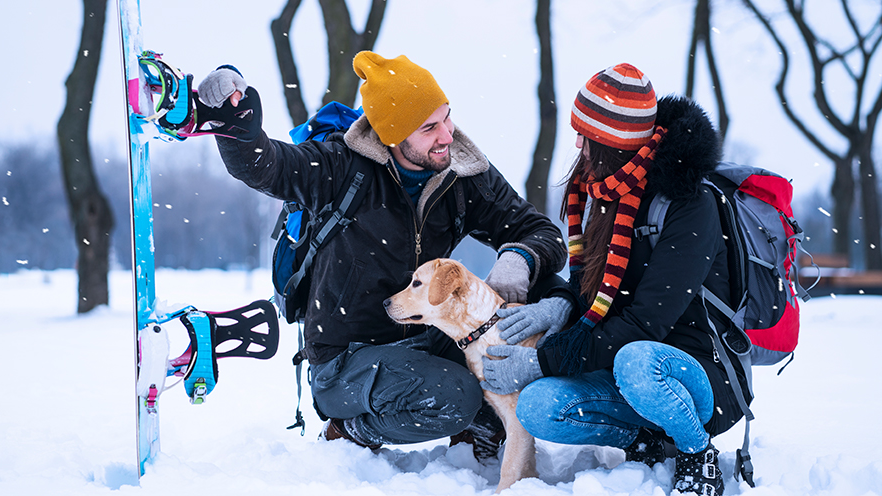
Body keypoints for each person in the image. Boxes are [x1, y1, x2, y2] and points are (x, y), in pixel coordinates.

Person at [197, 52, 568, 457]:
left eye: (447, 117)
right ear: (393, 136)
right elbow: (269, 167)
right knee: (455, 397)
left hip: (428, 336)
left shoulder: (460, 173)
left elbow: (541, 232)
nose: (447, 135)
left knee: (541, 289)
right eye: (429, 128)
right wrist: (237, 131)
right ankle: (351, 429)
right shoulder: (341, 167)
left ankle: (481, 425)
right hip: (347, 359)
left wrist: (519, 259)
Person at [479, 63, 747, 495]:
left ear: (613, 146)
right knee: (538, 406)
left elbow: (646, 323)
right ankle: (648, 440)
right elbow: (592, 284)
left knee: (638, 360)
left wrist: (542, 361)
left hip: (694, 373)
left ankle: (696, 452)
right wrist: (561, 303)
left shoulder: (688, 204)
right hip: (618, 365)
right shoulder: (596, 193)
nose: (579, 147)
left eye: (588, 139)